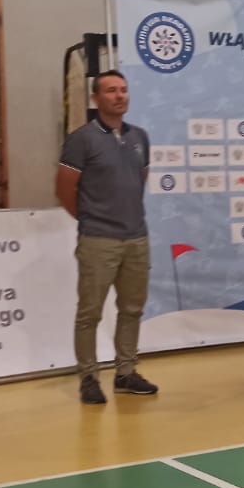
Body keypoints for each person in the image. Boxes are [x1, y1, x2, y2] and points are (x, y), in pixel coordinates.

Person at [56, 70, 157, 404]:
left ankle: (126, 373)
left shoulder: (140, 137)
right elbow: (64, 189)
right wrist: (92, 219)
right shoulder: (81, 139)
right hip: (98, 240)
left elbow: (139, 180)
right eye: (111, 90)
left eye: (123, 90)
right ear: (96, 98)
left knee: (132, 309)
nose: (119, 96)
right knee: (90, 313)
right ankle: (88, 377)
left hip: (136, 239)